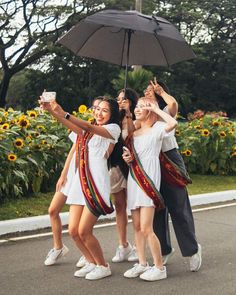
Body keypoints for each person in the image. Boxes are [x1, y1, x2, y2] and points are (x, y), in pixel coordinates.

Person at [144, 79, 202, 272]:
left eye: (152, 91)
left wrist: (161, 93)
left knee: (178, 207)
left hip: (169, 160)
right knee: (157, 210)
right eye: (146, 90)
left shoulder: (165, 113)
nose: (148, 92)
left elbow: (173, 105)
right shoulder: (142, 116)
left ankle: (192, 250)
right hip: (150, 163)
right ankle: (164, 250)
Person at [122, 97, 177, 281]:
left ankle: (159, 268)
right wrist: (129, 159)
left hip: (148, 181)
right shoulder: (134, 133)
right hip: (134, 180)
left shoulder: (157, 129)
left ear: (150, 110)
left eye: (142, 107)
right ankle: (142, 263)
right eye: (137, 106)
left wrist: (157, 108)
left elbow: (173, 122)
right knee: (137, 226)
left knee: (146, 228)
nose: (137, 109)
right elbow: (134, 157)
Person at [110, 88, 139, 263]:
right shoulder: (114, 119)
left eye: (125, 99)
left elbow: (135, 135)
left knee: (134, 207)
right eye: (118, 99)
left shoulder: (137, 117)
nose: (120, 102)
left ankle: (137, 246)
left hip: (133, 167)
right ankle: (123, 245)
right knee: (119, 206)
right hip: (116, 166)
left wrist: (129, 115)